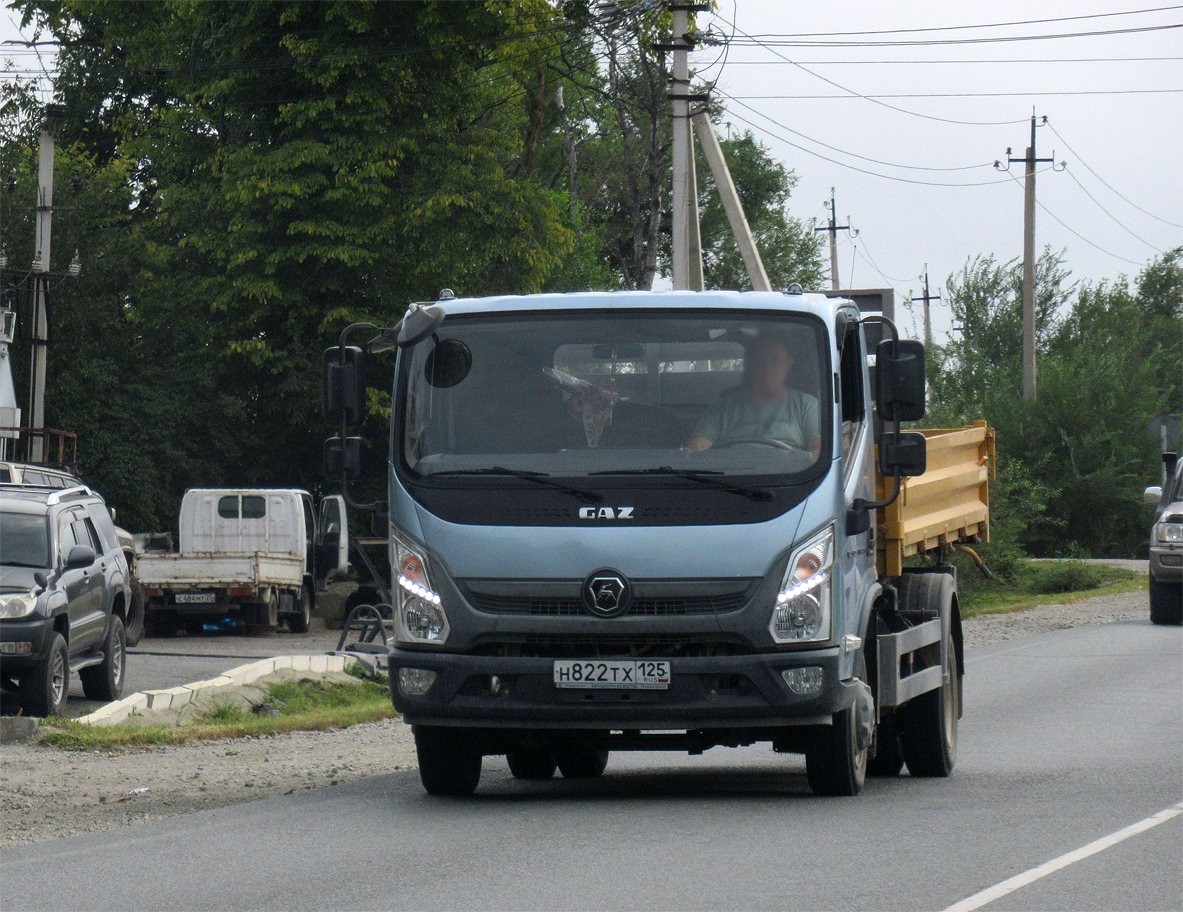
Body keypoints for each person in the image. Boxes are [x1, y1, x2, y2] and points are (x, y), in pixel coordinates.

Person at [685, 332, 821, 457]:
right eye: (761, 360)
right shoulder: (724, 406)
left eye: (775, 361)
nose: (767, 368)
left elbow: (818, 449)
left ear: (788, 364)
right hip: (729, 478)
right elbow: (696, 447)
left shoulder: (806, 404)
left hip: (790, 479)